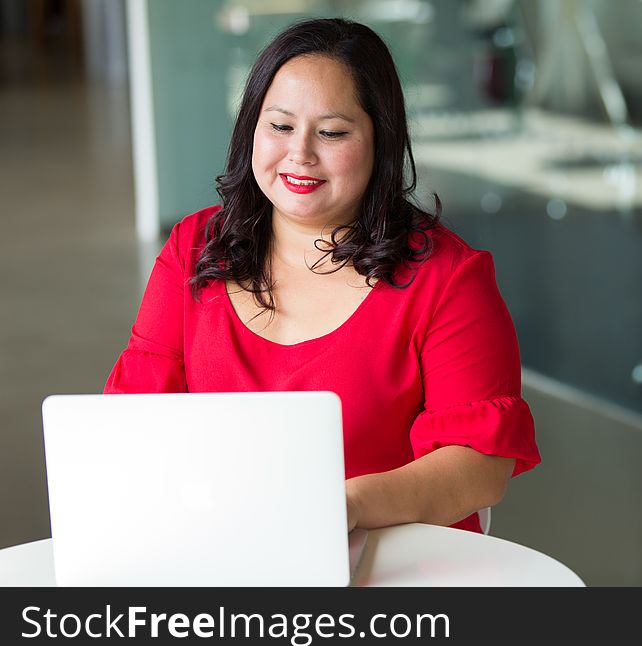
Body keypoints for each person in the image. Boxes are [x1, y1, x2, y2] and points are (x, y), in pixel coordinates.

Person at [105, 17, 539, 534]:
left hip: (391, 563)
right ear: (251, 129)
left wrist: (344, 508)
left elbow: (479, 467)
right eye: (280, 126)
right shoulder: (193, 249)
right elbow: (132, 423)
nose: (300, 154)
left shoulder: (448, 279)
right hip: (224, 550)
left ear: (382, 139)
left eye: (332, 132)